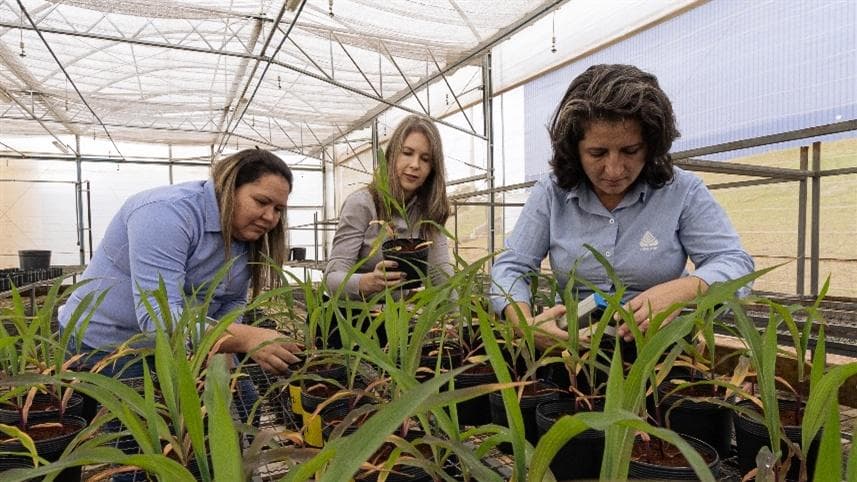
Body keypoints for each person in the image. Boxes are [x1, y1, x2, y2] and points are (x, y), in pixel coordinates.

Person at [490, 64, 754, 351]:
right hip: (574, 350)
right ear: (574, 150)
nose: (614, 170)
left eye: (630, 151)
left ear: (651, 145)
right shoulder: (552, 193)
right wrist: (526, 324)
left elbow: (735, 263)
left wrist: (683, 290)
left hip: (660, 350)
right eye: (597, 153)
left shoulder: (682, 191)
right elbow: (512, 266)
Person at [59, 148, 301, 376]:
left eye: (278, 209)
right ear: (228, 188)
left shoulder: (247, 235)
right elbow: (158, 318)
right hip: (107, 343)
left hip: (180, 341)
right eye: (261, 202)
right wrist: (245, 338)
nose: (270, 217)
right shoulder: (166, 214)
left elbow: (232, 299)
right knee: (141, 419)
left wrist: (220, 348)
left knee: (242, 405)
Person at [324, 114, 453, 300]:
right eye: (407, 153)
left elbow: (441, 277)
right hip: (360, 318)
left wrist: (460, 320)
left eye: (425, 159)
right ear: (391, 156)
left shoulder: (428, 210)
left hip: (402, 318)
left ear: (433, 168)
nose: (415, 165)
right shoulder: (363, 204)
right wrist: (367, 283)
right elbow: (332, 279)